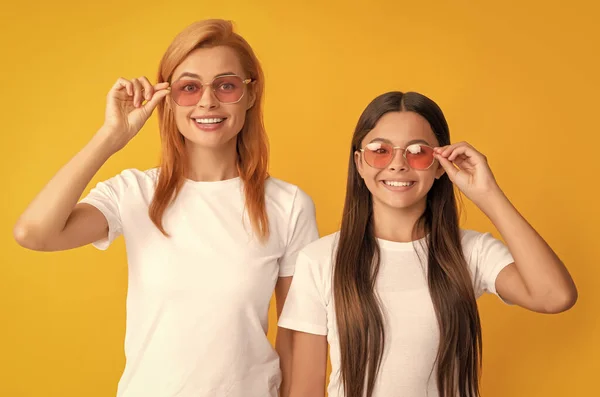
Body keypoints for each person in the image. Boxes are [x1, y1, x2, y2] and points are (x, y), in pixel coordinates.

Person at [13, 19, 318, 397]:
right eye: (189, 88)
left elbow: (298, 339)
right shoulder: (135, 192)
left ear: (250, 94)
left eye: (226, 85)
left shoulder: (288, 205)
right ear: (167, 97)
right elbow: (34, 233)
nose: (207, 101)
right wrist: (110, 137)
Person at [278, 91, 577, 397]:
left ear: (439, 166)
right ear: (359, 163)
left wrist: (488, 194)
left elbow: (554, 296)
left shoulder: (469, 252)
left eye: (417, 151)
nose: (397, 164)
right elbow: (304, 387)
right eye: (380, 150)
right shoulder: (320, 260)